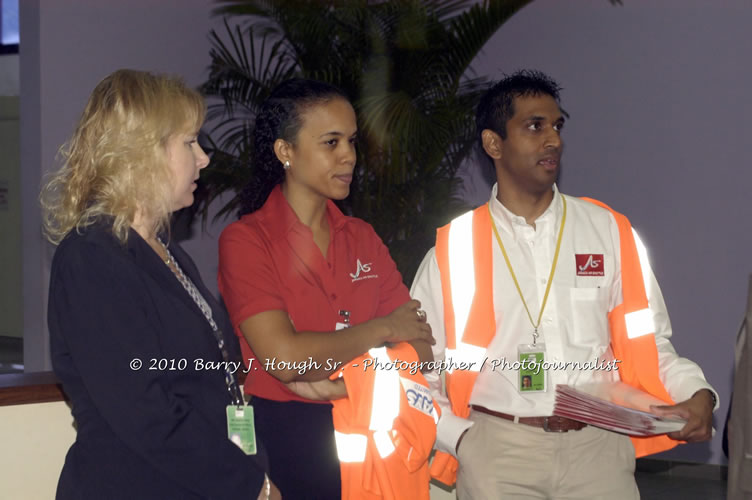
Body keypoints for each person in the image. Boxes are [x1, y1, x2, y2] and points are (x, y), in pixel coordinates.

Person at [410, 69, 718, 499]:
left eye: (557, 126)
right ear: (493, 143)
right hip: (498, 451)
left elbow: (651, 343)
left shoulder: (607, 230)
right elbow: (415, 367)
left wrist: (696, 390)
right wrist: (460, 439)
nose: (552, 139)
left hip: (598, 451)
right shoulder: (453, 248)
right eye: (534, 126)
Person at [42, 69, 279, 500]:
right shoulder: (92, 256)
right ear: (141, 155)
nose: (205, 158)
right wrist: (251, 486)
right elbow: (145, 412)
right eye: (189, 142)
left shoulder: (163, 249)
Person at [217, 78, 436, 499]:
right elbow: (285, 359)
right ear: (286, 152)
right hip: (285, 440)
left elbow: (422, 345)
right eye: (331, 142)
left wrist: (349, 384)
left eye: (352, 141)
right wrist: (381, 330)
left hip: (374, 433)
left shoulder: (361, 236)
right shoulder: (246, 241)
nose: (349, 156)